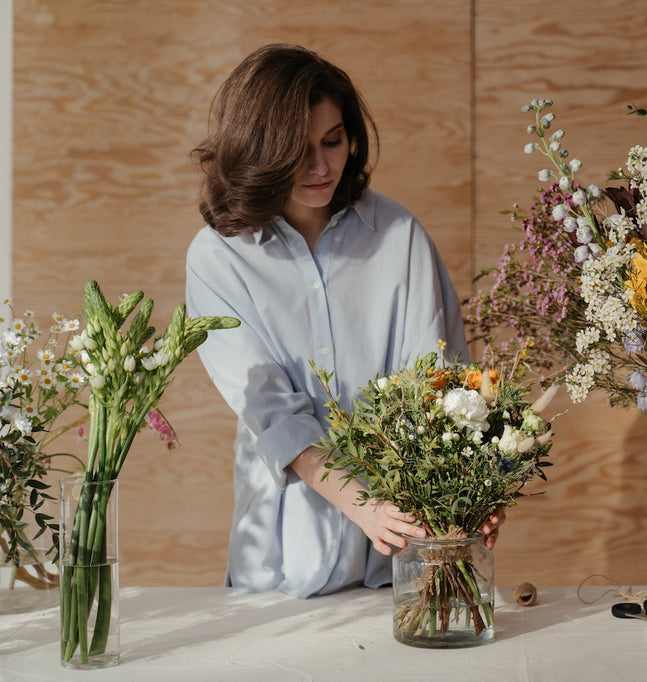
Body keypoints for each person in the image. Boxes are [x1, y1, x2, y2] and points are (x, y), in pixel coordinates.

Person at [185, 44, 503, 598]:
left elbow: (442, 391)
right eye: (296, 151)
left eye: (332, 141)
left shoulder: (398, 237)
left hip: (399, 564)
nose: (320, 166)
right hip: (283, 567)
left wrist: (470, 495)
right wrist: (369, 509)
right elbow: (275, 416)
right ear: (260, 153)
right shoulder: (218, 258)